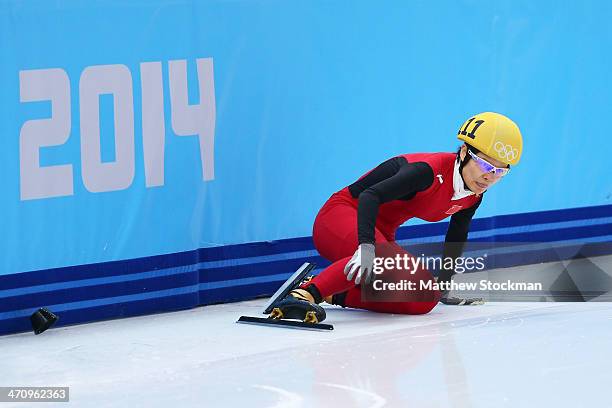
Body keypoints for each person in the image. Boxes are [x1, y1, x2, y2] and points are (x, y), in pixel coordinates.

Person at [275, 112, 523, 323]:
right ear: (464, 152)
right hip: (340, 217)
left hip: (379, 234)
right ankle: (303, 295)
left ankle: (335, 294)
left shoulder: (473, 195)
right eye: (485, 165)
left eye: (500, 171)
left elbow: (457, 235)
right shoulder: (427, 171)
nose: (490, 176)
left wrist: (445, 284)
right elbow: (369, 196)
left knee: (425, 297)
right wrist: (367, 245)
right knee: (386, 259)